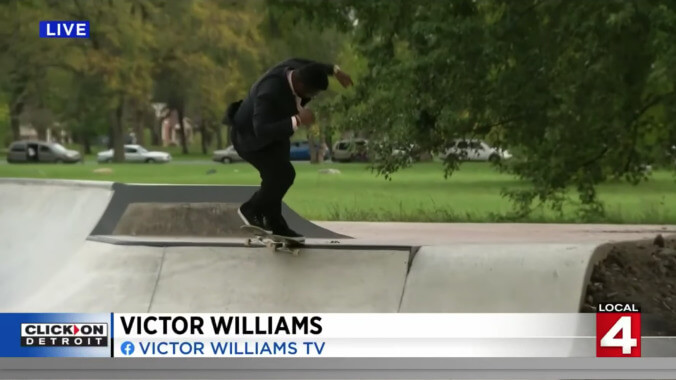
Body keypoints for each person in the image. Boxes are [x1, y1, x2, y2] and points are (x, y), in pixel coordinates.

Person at [224, 58, 353, 240]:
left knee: (277, 180)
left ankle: (276, 225)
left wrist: (335, 70)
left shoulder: (295, 68)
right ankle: (250, 209)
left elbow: (309, 63)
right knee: (283, 175)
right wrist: (298, 120)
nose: (312, 97)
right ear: (300, 84)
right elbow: (261, 130)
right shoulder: (269, 93)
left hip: (277, 134)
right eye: (311, 93)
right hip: (251, 140)